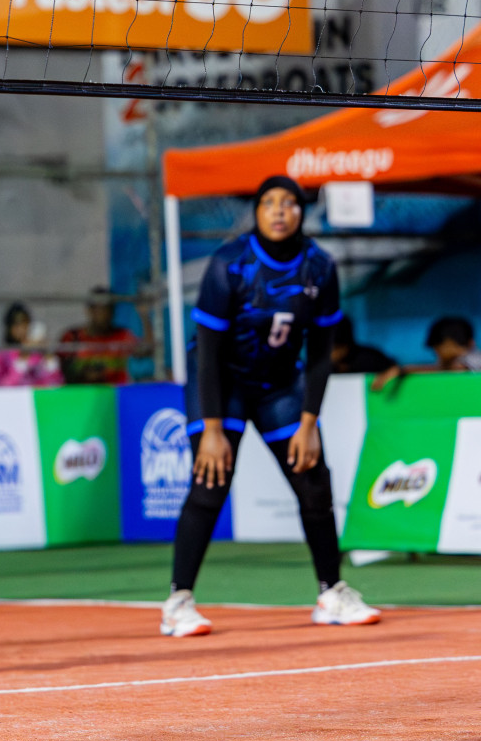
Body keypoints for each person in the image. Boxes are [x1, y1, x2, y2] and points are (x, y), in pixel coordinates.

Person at [162, 175, 380, 639]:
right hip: (221, 381)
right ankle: (179, 601)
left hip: (280, 385)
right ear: (257, 212)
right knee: (211, 482)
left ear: (302, 212)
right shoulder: (230, 263)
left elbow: (321, 353)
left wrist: (309, 422)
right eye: (269, 203)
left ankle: (331, 592)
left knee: (314, 481)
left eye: (290, 203)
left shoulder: (319, 267)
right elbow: (207, 349)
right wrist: (214, 429)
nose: (280, 211)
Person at [372, 315, 481, 389]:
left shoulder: (476, 358)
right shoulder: (455, 361)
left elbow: (458, 370)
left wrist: (405, 370)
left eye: (439, 347)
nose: (436, 352)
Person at [59, 287, 139, 385]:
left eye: (110, 309)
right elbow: (58, 372)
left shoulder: (122, 335)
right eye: (102, 309)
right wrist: (83, 375)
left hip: (114, 395)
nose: (107, 315)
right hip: (80, 394)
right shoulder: (72, 337)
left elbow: (146, 351)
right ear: (90, 310)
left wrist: (144, 314)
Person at [0, 302, 63, 387]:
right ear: (9, 327)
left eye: (25, 324)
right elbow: (2, 388)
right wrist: (23, 357)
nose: (22, 329)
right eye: (17, 325)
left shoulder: (37, 354)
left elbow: (56, 383)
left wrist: (48, 355)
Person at [329, 316, 395, 375]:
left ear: (345, 346)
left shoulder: (369, 359)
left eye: (334, 348)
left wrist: (393, 371)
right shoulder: (325, 366)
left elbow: (395, 369)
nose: (329, 354)